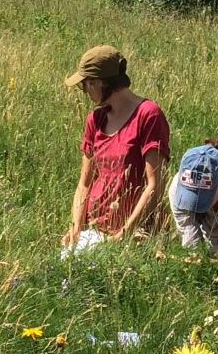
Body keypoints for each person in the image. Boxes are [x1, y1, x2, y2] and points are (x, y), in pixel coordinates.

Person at [62, 45, 170, 252]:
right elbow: (84, 182)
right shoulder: (95, 119)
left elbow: (154, 186)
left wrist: (124, 234)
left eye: (86, 84)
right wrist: (75, 228)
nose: (84, 91)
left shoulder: (148, 115)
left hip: (136, 235)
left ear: (100, 83)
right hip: (94, 229)